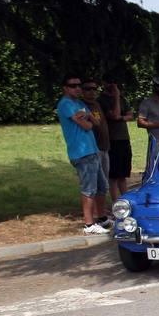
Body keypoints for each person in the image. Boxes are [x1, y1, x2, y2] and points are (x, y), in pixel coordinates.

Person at [56, 74, 111, 234]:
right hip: (81, 152)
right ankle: (89, 224)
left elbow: (95, 121)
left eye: (79, 85)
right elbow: (86, 126)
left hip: (92, 150)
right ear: (65, 88)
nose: (77, 88)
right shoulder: (65, 104)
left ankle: (102, 218)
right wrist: (84, 118)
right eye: (73, 86)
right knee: (89, 188)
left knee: (102, 186)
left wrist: (85, 116)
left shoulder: (79, 103)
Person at [99, 77, 133, 200]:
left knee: (123, 174)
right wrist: (116, 97)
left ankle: (125, 201)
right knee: (113, 175)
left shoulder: (123, 99)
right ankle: (115, 202)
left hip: (124, 138)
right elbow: (115, 115)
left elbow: (130, 115)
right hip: (113, 140)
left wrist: (121, 118)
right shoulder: (102, 100)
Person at [81, 79, 111, 192]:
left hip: (104, 147)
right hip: (93, 148)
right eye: (88, 89)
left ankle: (101, 208)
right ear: (82, 91)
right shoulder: (82, 105)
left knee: (104, 181)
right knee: (95, 181)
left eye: (94, 89)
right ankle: (94, 208)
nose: (92, 91)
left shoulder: (97, 104)